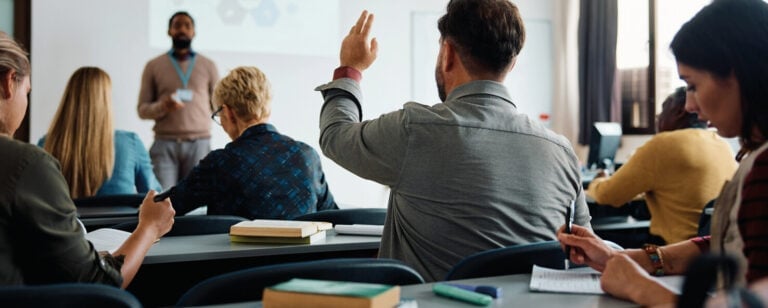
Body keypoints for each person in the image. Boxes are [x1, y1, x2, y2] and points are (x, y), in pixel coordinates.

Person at [316, 1, 591, 282]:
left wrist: (350, 68)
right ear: (512, 62)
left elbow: (335, 135)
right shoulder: (562, 152)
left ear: (447, 53)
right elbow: (587, 253)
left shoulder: (416, 131)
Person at [558, 0, 768, 305]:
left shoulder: (764, 167)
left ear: (736, 73)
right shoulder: (743, 152)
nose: (690, 106)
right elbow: (731, 245)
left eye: (693, 85)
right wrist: (622, 257)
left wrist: (640, 287)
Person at [0, 32, 174, 288]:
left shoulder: (45, 143)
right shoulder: (27, 164)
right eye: (27, 92)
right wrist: (148, 227)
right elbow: (95, 282)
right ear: (8, 82)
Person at [169, 66, 337, 219]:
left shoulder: (220, 163)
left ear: (227, 112)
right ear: (267, 107)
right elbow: (333, 216)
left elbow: (165, 209)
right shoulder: (307, 156)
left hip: (238, 253)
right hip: (302, 253)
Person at [586, 87, 737, 246]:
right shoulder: (722, 144)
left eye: (662, 111)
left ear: (679, 111)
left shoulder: (664, 144)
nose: (658, 118)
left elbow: (608, 195)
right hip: (712, 247)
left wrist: (597, 180)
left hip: (673, 249)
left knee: (595, 235)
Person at [40, 67, 162, 199]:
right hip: (119, 220)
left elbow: (37, 197)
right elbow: (156, 197)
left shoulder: (46, 145)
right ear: (105, 101)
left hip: (67, 220)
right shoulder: (130, 143)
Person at [138, 11, 219, 190]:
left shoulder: (208, 65)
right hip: (164, 144)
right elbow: (142, 110)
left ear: (194, 32)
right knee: (163, 201)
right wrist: (163, 106)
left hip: (199, 144)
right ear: (169, 31)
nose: (182, 29)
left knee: (198, 203)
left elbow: (219, 106)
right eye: (177, 25)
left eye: (187, 25)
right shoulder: (154, 66)